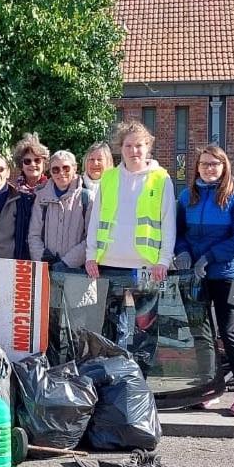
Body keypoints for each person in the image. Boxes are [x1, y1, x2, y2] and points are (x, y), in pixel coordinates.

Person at [84, 121, 175, 376]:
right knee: (110, 327)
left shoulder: (161, 178)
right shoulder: (110, 178)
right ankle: (111, 379)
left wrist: (163, 260)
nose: (134, 150)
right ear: (120, 149)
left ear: (148, 148)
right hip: (109, 264)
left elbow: (168, 222)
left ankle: (139, 381)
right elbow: (96, 219)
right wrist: (91, 255)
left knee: (144, 327)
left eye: (139, 145)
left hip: (146, 266)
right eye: (128, 145)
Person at [175, 144, 234, 416]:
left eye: (215, 164)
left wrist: (209, 257)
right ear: (197, 167)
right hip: (195, 277)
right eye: (204, 164)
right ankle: (208, 390)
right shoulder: (188, 196)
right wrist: (183, 251)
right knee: (201, 335)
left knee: (228, 332)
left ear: (224, 167)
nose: (209, 168)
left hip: (225, 275)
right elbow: (178, 232)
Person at [28, 150, 91, 268]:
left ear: (75, 168)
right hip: (46, 268)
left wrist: (67, 262)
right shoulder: (41, 198)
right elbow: (33, 235)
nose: (61, 173)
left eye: (66, 168)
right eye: (55, 169)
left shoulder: (87, 198)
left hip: (77, 271)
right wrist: (43, 258)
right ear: (50, 172)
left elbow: (91, 238)